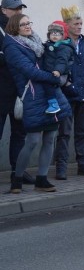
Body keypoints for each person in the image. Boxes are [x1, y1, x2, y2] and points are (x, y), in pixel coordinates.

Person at [3, 13, 70, 193]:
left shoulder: (36, 41)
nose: (28, 26)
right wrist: (55, 79)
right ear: (14, 27)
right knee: (32, 140)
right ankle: (16, 180)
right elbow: (29, 71)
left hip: (49, 94)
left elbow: (51, 60)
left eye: (28, 22)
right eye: (23, 24)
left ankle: (42, 179)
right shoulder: (11, 46)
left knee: (50, 139)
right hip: (32, 95)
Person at [55, 5, 84, 179]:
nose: (79, 26)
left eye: (81, 23)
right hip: (66, 95)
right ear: (67, 25)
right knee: (64, 133)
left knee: (82, 132)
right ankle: (61, 167)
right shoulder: (60, 44)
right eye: (76, 23)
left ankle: (83, 164)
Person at [0, 0, 31, 185]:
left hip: (20, 90)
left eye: (20, 8)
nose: (18, 12)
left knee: (20, 133)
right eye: (14, 9)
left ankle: (18, 172)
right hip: (1, 91)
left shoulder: (20, 30)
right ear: (3, 10)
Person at [41, 21, 74, 115]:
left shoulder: (63, 46)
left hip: (59, 73)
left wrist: (58, 70)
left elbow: (62, 60)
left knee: (48, 85)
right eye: (52, 34)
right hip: (50, 71)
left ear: (63, 36)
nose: (55, 36)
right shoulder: (48, 44)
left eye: (58, 34)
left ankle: (54, 104)